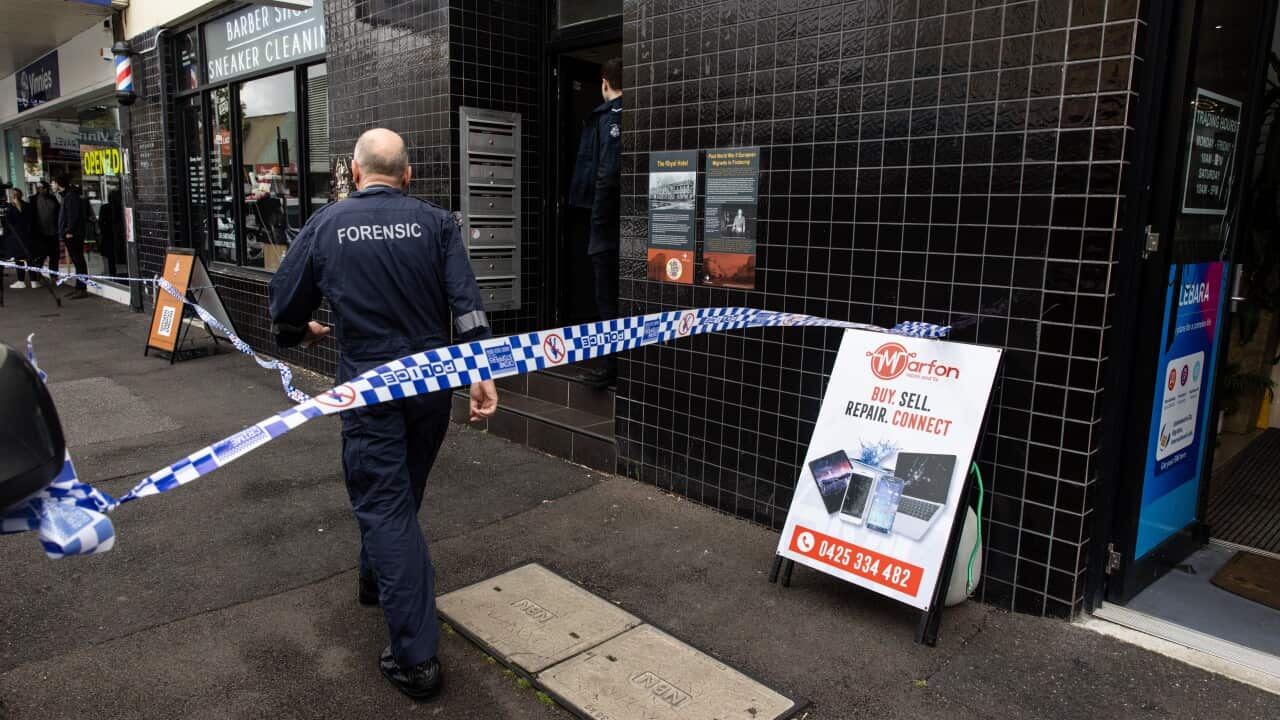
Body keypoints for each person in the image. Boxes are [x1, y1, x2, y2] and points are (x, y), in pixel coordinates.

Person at [268, 128, 499, 701]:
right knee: (399, 495)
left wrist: (300, 332)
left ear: (354, 171)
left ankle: (416, 660)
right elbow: (467, 305)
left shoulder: (327, 224)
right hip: (430, 385)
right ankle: (376, 581)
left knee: (386, 504)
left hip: (369, 387)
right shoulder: (436, 223)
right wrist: (481, 373)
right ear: (407, 174)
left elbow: (284, 304)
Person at [568, 57, 623, 389]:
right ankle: (613, 363)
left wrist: (598, 224)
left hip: (607, 227)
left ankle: (610, 367)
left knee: (606, 299)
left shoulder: (610, 117)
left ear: (604, 82)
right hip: (623, 225)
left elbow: (606, 174)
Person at [52, 176, 88, 299]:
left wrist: (69, 230)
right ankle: (79, 287)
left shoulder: (71, 197)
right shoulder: (67, 196)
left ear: (59, 184)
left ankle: (82, 288)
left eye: (53, 183)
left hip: (73, 234)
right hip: (70, 233)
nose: (52, 185)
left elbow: (73, 215)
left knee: (79, 261)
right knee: (77, 261)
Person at [31, 180, 60, 284]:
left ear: (47, 188)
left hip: (53, 232)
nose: (40, 189)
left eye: (42, 188)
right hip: (40, 233)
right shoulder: (33, 199)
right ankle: (37, 275)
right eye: (39, 188)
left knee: (54, 255)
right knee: (40, 255)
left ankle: (54, 276)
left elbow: (58, 212)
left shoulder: (53, 198)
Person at [97, 189, 123, 277]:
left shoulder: (105, 207)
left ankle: (112, 272)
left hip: (108, 235)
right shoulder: (120, 208)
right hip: (117, 234)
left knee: (110, 256)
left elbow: (101, 222)